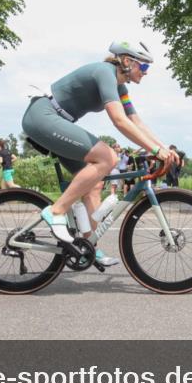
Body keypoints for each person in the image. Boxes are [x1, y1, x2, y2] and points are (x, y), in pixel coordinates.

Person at [20, 41, 174, 268]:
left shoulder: (120, 87)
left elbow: (135, 120)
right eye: (143, 68)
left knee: (93, 185)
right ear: (127, 61)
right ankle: (56, 211)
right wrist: (154, 150)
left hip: (58, 121)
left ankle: (88, 246)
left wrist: (164, 148)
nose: (146, 73)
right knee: (108, 158)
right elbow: (119, 121)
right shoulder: (105, 73)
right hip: (43, 115)